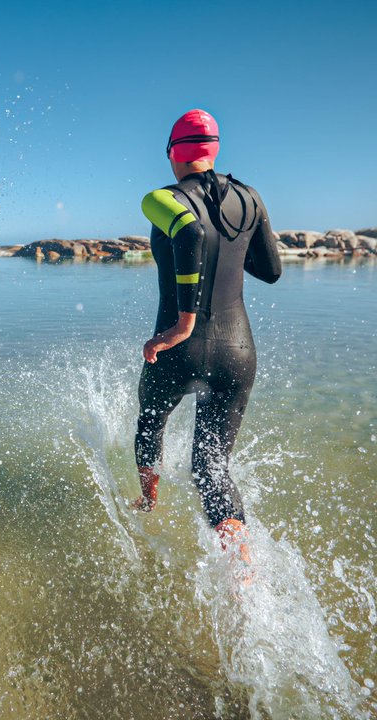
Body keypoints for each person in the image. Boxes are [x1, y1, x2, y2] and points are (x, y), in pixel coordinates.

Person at [132, 109, 281, 559]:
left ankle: (147, 501)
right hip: (237, 350)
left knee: (150, 423)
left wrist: (184, 323)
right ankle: (242, 566)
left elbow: (191, 232)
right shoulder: (250, 198)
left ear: (174, 153)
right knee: (212, 468)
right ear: (213, 150)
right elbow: (271, 270)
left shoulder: (160, 198)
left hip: (177, 348)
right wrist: (232, 250)